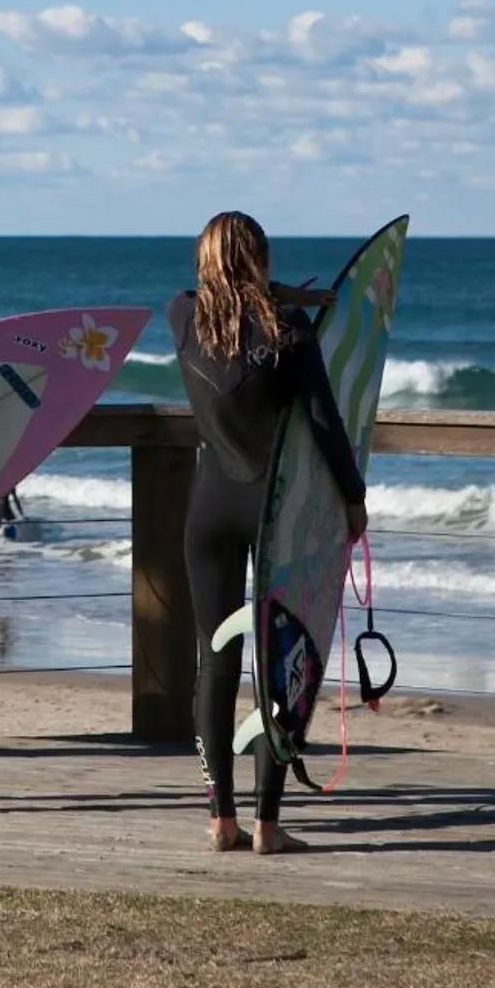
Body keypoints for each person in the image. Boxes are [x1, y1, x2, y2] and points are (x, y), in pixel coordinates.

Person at [169, 210, 369, 855]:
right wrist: (353, 500)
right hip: (274, 513)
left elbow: (221, 301)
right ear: (261, 256)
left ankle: (218, 818)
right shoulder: (290, 328)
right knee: (280, 668)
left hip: (208, 511)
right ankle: (267, 823)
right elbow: (323, 420)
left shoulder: (182, 316)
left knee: (214, 663)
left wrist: (282, 297)